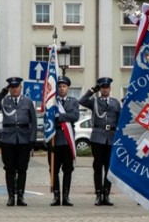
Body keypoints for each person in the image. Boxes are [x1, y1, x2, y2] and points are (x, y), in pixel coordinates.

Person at [0, 77, 37, 206]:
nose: (14, 89)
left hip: (23, 138)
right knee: (9, 169)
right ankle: (10, 196)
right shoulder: (4, 101)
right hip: (8, 139)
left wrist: (32, 139)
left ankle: (20, 196)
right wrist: (2, 94)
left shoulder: (27, 101)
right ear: (9, 89)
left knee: (22, 169)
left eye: (16, 87)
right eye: (12, 87)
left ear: (21, 88)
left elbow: (33, 121)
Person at [79, 77, 121, 205]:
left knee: (109, 168)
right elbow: (82, 101)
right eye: (102, 88)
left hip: (111, 137)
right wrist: (92, 90)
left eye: (107, 87)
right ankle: (98, 194)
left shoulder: (115, 103)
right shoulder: (95, 101)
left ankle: (106, 195)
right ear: (100, 89)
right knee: (97, 167)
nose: (105, 90)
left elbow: (119, 120)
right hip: (98, 137)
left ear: (110, 88)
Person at [48, 76, 80, 206]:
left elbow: (75, 116)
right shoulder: (51, 102)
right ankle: (56, 196)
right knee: (54, 169)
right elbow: (48, 118)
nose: (62, 88)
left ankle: (66, 196)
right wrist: (65, 116)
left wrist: (58, 116)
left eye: (64, 86)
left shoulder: (73, 102)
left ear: (68, 88)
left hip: (67, 141)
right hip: (54, 139)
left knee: (68, 169)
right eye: (60, 86)